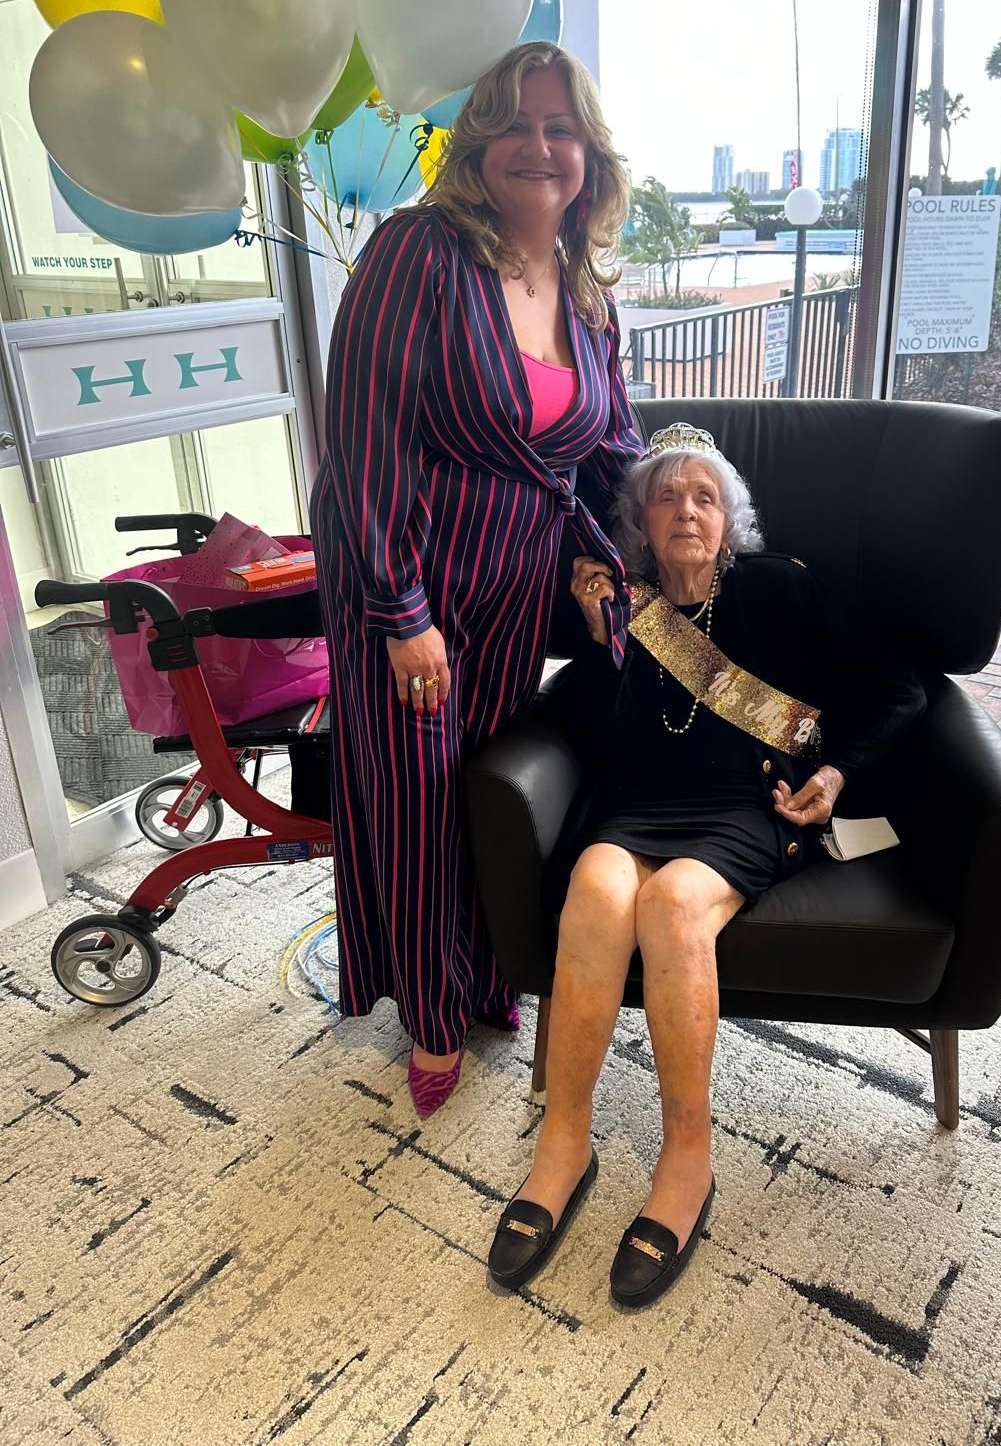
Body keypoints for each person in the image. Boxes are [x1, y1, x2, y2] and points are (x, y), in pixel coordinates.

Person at [487, 423, 925, 1307]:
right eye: (665, 496)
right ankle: (563, 1143)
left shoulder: (778, 590)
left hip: (748, 809)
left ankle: (688, 1159)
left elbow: (899, 691)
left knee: (678, 904)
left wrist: (838, 774)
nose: (686, 510)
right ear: (639, 521)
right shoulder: (628, 607)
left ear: (731, 520)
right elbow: (585, 725)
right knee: (598, 889)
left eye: (706, 497)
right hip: (633, 808)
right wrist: (598, 629)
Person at [310, 42, 641, 1117]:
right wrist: (401, 613)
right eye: (515, 125)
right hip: (408, 583)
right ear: (477, 146)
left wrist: (634, 551)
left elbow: (610, 452)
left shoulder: (590, 290)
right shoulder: (419, 253)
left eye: (560, 128)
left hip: (514, 583)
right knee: (412, 802)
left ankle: (485, 973)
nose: (539, 147)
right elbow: (362, 441)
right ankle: (430, 1013)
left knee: (481, 803)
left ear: (586, 154)